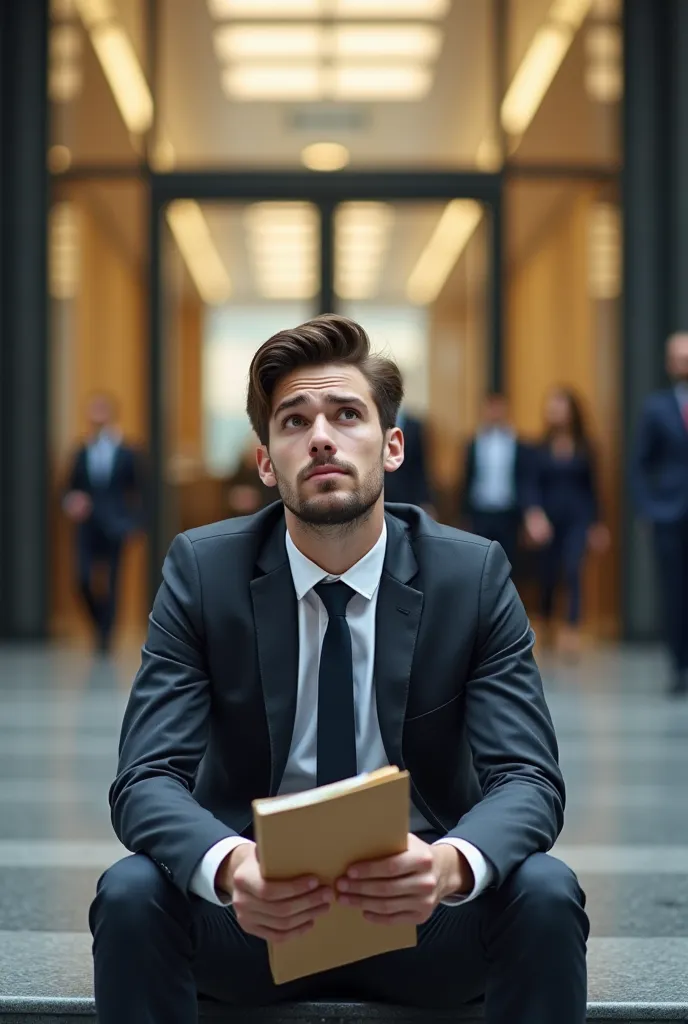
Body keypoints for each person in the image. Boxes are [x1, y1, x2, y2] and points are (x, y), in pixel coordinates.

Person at [90, 315, 588, 1024]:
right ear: (266, 462)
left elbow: (529, 778)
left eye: (347, 414)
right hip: (256, 917)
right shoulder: (203, 573)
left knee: (545, 889)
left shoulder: (470, 577)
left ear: (391, 447)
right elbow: (144, 778)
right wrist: (233, 868)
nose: (321, 435)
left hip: (424, 916)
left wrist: (448, 865)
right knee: (130, 891)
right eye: (294, 421)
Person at [523, 387, 609, 658]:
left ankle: (572, 631)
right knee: (548, 575)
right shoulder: (539, 448)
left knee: (573, 570)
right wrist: (534, 515)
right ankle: (547, 624)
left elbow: (594, 489)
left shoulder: (586, 447)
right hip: (548, 520)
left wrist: (597, 524)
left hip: (578, 519)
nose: (556, 413)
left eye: (561, 407)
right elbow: (531, 486)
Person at [63, 393, 145, 653]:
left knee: (113, 582)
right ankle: (99, 623)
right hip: (87, 526)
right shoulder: (81, 450)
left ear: (110, 414)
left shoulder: (127, 451)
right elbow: (67, 488)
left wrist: (136, 523)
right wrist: (71, 501)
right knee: (83, 578)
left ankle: (106, 638)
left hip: (116, 525)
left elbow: (141, 490)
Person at [632, 332, 688, 696]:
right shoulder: (655, 407)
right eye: (678, 356)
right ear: (669, 363)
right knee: (674, 591)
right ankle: (678, 666)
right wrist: (649, 509)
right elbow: (639, 464)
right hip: (671, 514)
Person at [461, 393, 527, 565]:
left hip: (508, 514)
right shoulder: (474, 442)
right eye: (491, 407)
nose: (495, 412)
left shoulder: (516, 442)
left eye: (499, 407)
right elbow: (466, 479)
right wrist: (465, 514)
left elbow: (523, 479)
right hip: (480, 512)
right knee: (479, 563)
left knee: (508, 563)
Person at [383, 407, 434, 514]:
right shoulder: (376, 421)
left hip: (407, 496)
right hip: (381, 495)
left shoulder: (414, 426)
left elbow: (420, 468)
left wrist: (425, 501)